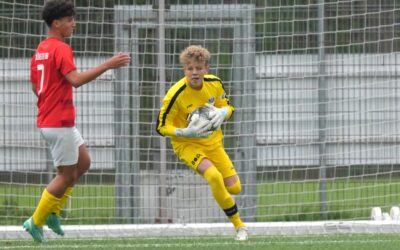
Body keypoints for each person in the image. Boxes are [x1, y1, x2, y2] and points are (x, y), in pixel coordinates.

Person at [24, 0, 130, 243]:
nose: (74, 23)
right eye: (70, 19)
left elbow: (35, 86)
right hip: (57, 122)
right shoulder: (60, 48)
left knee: (83, 163)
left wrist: (50, 99)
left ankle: (53, 211)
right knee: (65, 175)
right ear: (56, 23)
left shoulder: (41, 49)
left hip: (54, 120)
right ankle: (36, 221)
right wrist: (108, 64)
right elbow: (76, 80)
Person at [156, 45, 248, 241]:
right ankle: (240, 227)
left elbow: (228, 108)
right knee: (214, 176)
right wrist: (185, 131)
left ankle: (227, 202)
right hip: (187, 145)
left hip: (214, 144)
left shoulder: (215, 84)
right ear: (185, 70)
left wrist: (224, 113)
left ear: (206, 69)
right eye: (190, 68)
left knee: (235, 188)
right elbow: (161, 127)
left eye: (198, 68)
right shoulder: (175, 94)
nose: (194, 72)